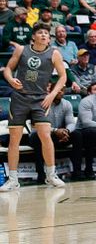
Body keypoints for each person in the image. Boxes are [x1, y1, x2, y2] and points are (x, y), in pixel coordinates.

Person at [1, 23, 68, 191]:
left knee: (45, 135)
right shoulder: (21, 50)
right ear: (33, 37)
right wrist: (10, 80)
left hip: (40, 99)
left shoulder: (54, 53)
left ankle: (51, 175)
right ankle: (13, 179)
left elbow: (63, 76)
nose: (44, 35)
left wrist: (52, 94)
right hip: (19, 98)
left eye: (46, 33)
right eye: (40, 33)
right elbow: (8, 69)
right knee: (14, 139)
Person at [30, 86, 84, 183]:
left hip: (59, 135)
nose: (60, 92)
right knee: (36, 137)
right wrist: (55, 130)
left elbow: (71, 123)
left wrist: (66, 131)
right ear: (50, 91)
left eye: (62, 90)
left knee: (77, 135)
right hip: (42, 134)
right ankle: (41, 174)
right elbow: (36, 126)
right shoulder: (41, 103)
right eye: (57, 89)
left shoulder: (67, 104)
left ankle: (77, 172)